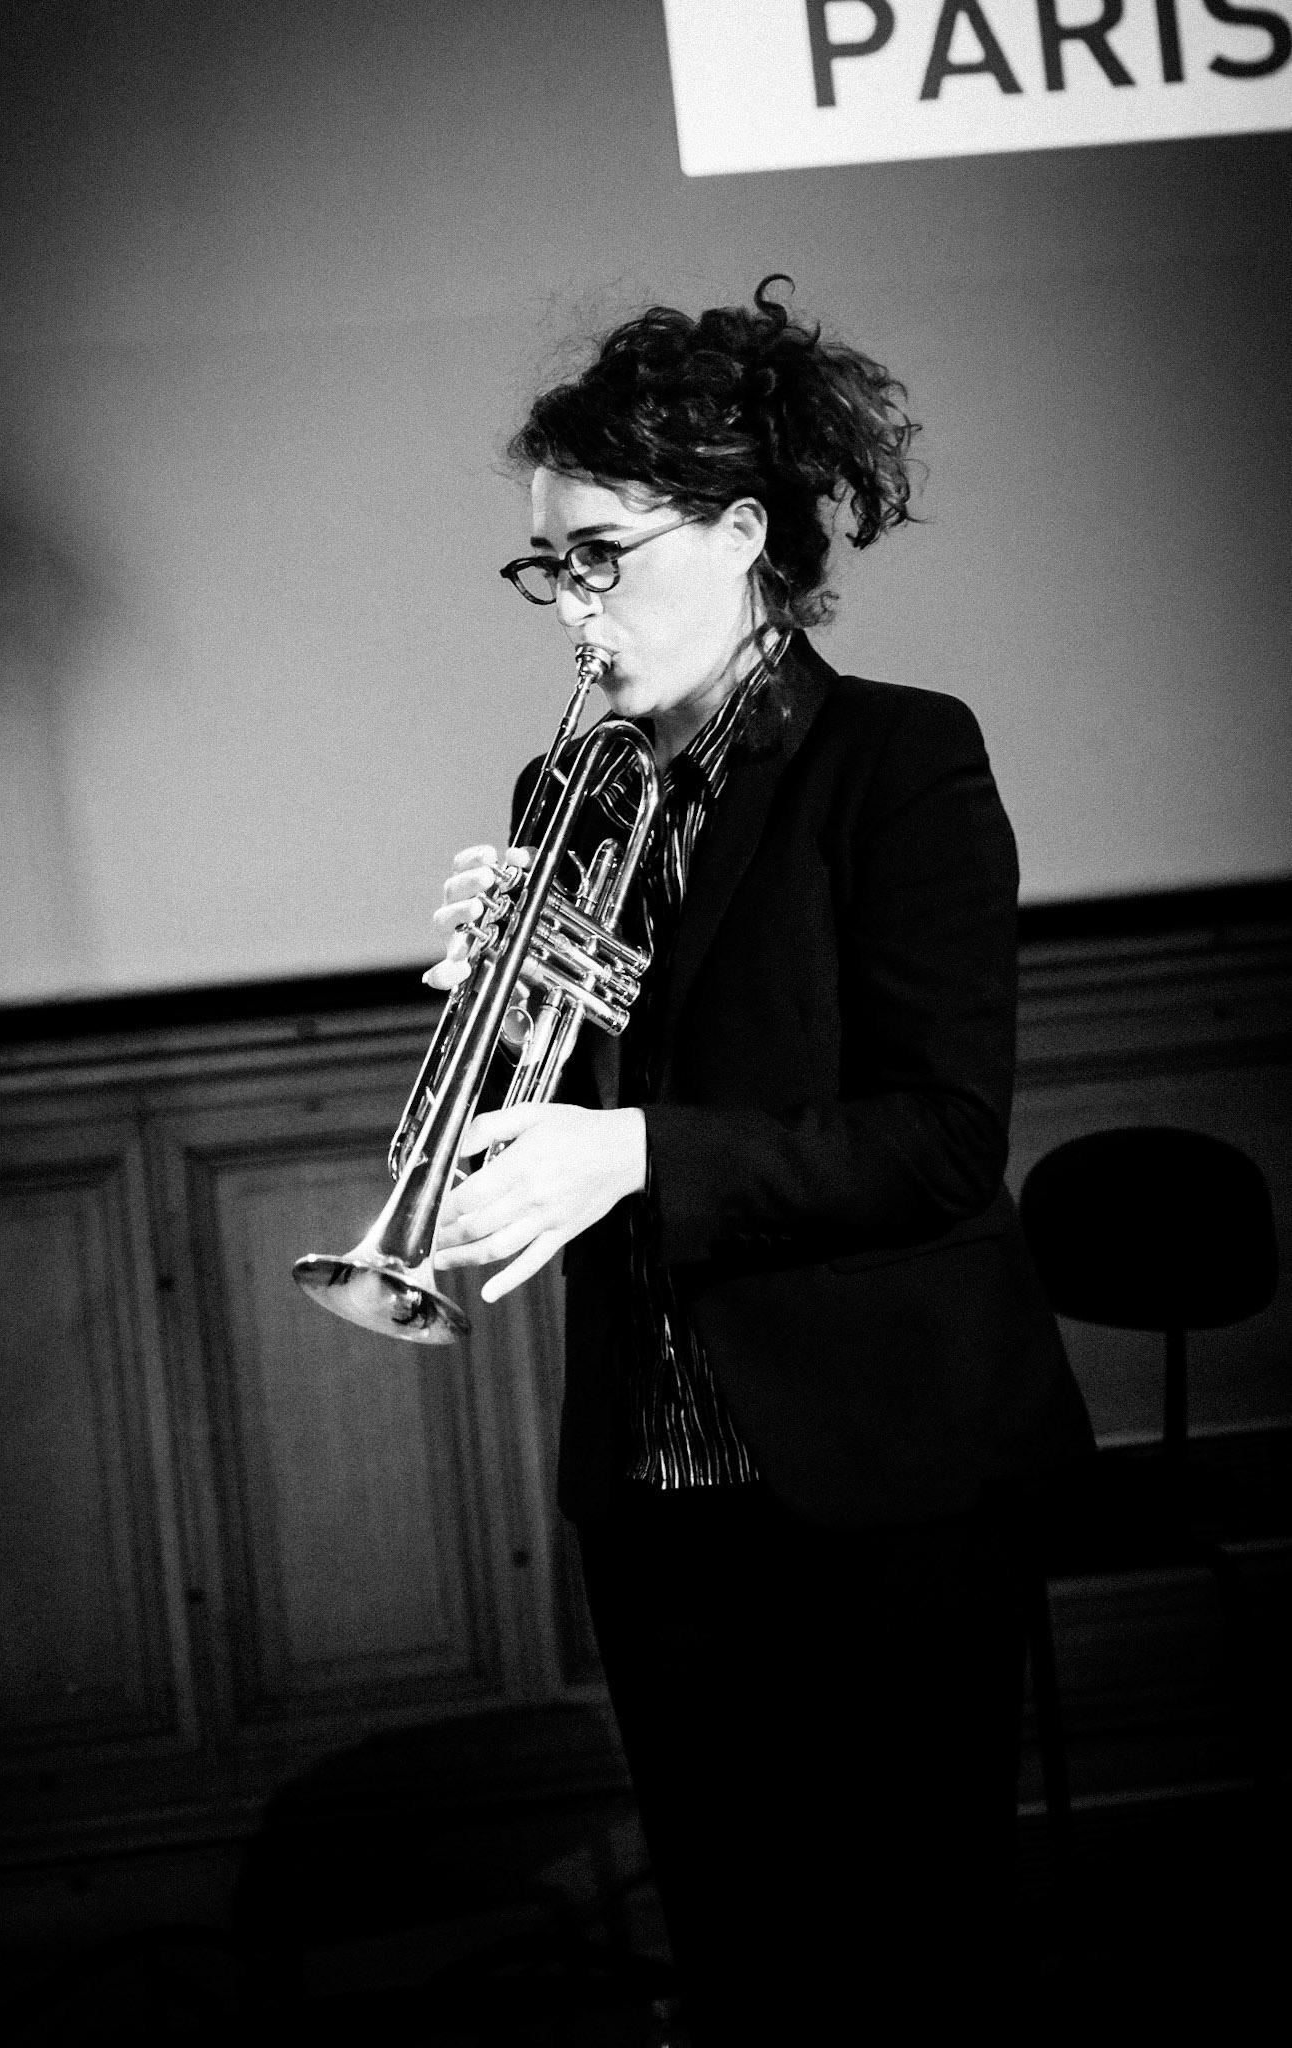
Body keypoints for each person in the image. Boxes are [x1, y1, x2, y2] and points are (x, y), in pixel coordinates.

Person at [425, 277, 1094, 2039]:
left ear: (737, 534)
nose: (570, 606)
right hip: (654, 1472)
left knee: (911, 1944)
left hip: (878, 1458)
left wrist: (638, 1147)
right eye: (545, 567)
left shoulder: (899, 758)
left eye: (602, 555)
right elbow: (555, 1122)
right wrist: (502, 1008)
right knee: (738, 1948)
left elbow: (940, 1142)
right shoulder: (556, 794)